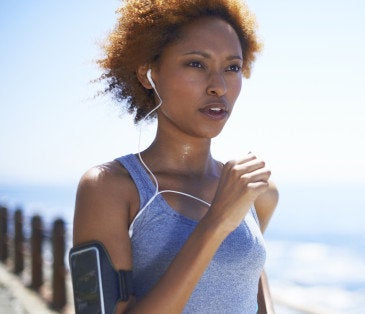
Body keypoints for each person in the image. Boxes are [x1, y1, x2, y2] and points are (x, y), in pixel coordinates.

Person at [72, 0, 278, 313]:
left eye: (232, 67)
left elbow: (252, 296)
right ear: (147, 74)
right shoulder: (110, 188)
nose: (218, 86)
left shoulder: (253, 192)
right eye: (196, 64)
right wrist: (216, 223)